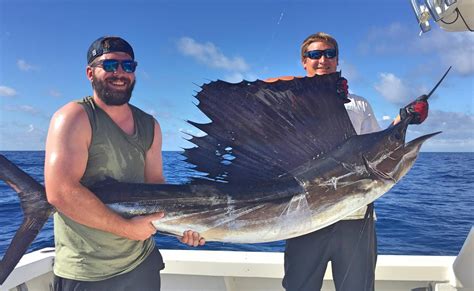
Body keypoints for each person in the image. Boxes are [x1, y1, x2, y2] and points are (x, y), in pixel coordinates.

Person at [266, 32, 428, 291]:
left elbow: (376, 146)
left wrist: (403, 119)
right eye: (315, 55)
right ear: (303, 62)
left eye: (329, 54)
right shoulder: (290, 103)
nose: (323, 60)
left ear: (337, 60)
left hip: (355, 215)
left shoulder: (358, 104)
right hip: (305, 217)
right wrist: (304, 90)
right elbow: (263, 89)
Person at [45, 36, 205, 291]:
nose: (119, 73)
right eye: (109, 65)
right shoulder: (74, 117)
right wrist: (126, 229)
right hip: (88, 271)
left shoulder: (149, 125)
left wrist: (184, 227)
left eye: (127, 66)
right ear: (90, 72)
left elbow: (157, 189)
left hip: (141, 263)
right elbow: (60, 192)